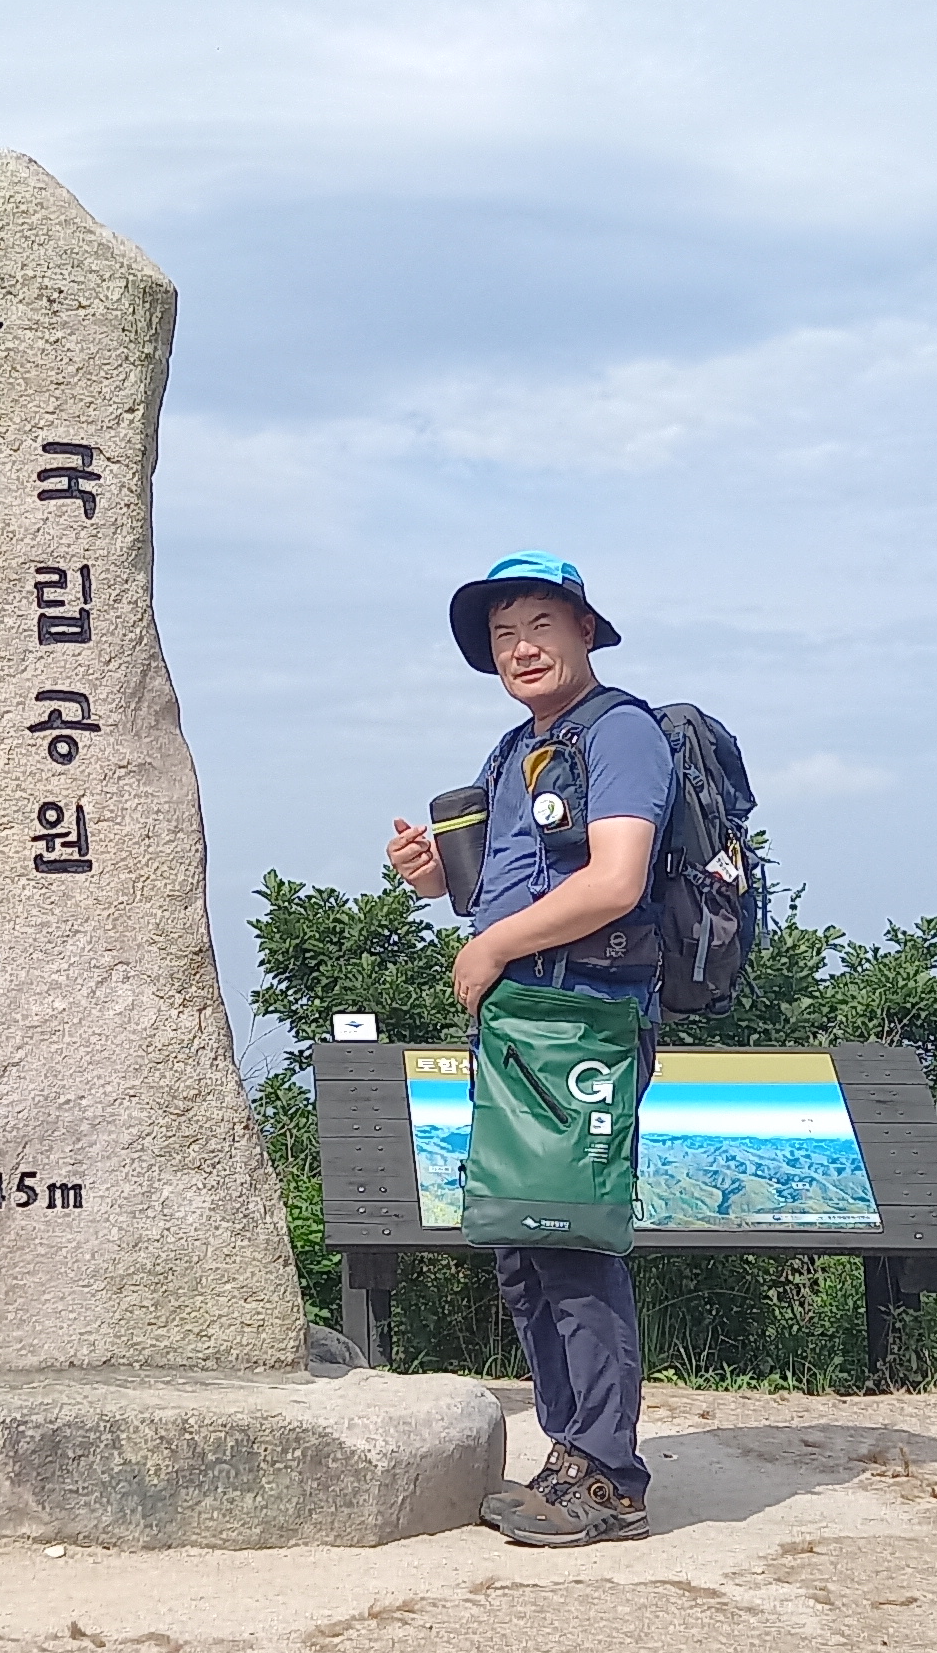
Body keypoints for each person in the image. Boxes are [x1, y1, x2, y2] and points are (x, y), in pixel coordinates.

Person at [384, 550, 669, 1548]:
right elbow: (490, 887)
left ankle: (611, 1479)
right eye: (504, 634)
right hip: (522, 1021)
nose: (521, 648)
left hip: (582, 1017)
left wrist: (493, 944)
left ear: (585, 630)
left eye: (540, 624)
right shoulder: (517, 748)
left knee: (569, 1239)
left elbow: (617, 881)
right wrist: (432, 878)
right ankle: (569, 1457)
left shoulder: (620, 732)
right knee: (523, 1246)